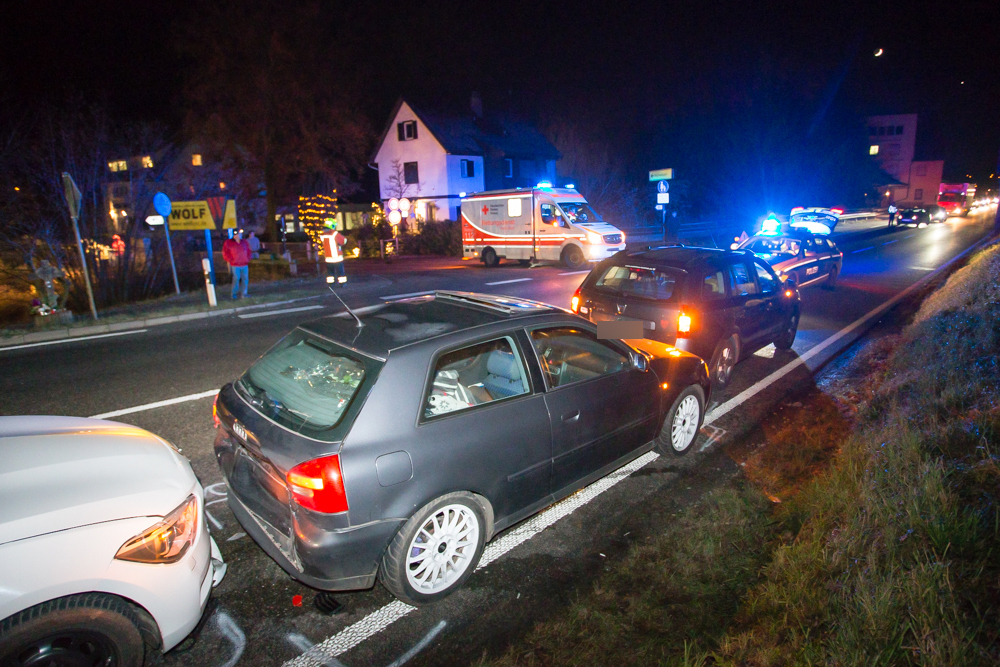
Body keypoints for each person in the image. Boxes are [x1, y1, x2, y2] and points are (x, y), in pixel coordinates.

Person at [223, 229, 252, 299]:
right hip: (235, 264)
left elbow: (248, 250)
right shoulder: (228, 243)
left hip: (244, 263)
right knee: (236, 278)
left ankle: (244, 293)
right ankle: (234, 294)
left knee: (245, 279)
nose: (237, 236)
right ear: (233, 235)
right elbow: (225, 253)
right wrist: (230, 260)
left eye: (238, 234)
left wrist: (248, 258)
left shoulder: (244, 242)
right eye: (236, 235)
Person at [320, 222, 348, 287]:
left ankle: (331, 284)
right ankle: (342, 284)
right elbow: (343, 241)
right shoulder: (334, 233)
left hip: (328, 258)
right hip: (337, 257)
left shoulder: (322, 235)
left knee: (330, 272)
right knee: (340, 272)